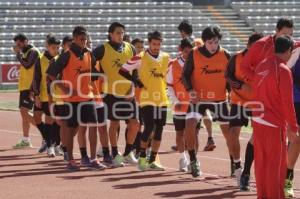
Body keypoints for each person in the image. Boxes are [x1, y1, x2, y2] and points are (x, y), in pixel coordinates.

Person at [241, 17, 298, 196]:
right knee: (277, 164)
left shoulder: (261, 66)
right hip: (274, 124)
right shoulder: (283, 70)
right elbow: (287, 102)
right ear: (288, 51)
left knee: (262, 163)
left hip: (258, 120)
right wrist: (293, 127)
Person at [47, 26, 101, 171]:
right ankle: (70, 160)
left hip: (87, 97)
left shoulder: (89, 54)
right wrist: (64, 88)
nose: (84, 41)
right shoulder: (66, 55)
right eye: (82, 39)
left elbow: (93, 73)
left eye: (86, 39)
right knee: (70, 130)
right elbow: (51, 74)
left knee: (93, 125)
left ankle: (93, 158)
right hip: (70, 100)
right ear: (75, 39)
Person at [182, 26, 231, 177]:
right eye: (209, 42)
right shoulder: (194, 54)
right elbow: (185, 75)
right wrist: (190, 90)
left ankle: (234, 162)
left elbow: (231, 77)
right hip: (199, 99)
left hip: (220, 100)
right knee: (189, 125)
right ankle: (193, 160)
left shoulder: (226, 55)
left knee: (229, 133)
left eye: (215, 42)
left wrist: (231, 93)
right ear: (203, 42)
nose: (213, 46)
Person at [119, 31, 170, 171]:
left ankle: (152, 160)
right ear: (149, 43)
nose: (156, 47)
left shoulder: (166, 57)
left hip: (162, 99)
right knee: (148, 127)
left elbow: (168, 76)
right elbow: (122, 70)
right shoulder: (140, 57)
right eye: (154, 44)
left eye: (159, 44)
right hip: (146, 98)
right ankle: (142, 158)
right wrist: (136, 81)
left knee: (159, 129)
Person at [93, 22, 139, 167]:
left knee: (135, 123)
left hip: (128, 93)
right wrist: (98, 75)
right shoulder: (102, 49)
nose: (121, 35)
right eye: (118, 33)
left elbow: (136, 70)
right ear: (111, 34)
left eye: (122, 33)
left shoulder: (130, 48)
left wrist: (133, 88)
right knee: (114, 123)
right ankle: (114, 153)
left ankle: (128, 152)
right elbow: (89, 62)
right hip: (111, 93)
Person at [226, 32, 263, 190]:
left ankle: (247, 172)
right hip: (238, 100)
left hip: (257, 103)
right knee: (233, 133)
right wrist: (240, 86)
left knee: (257, 138)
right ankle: (238, 167)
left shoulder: (264, 61)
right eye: (255, 47)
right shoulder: (236, 58)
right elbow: (227, 76)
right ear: (248, 45)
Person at [177, 20, 215, 151]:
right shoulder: (199, 41)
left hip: (193, 82)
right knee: (205, 112)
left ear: (182, 32)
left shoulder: (188, 44)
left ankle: (188, 141)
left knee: (193, 115)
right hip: (205, 80)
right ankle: (210, 137)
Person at [167, 37, 196, 172]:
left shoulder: (198, 63)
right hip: (179, 105)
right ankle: (182, 158)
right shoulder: (173, 64)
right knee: (180, 134)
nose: (188, 54)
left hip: (194, 106)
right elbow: (169, 85)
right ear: (181, 50)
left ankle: (193, 160)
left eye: (191, 52)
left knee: (193, 134)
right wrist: (175, 101)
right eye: (186, 52)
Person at [32, 34, 61, 157]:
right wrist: (36, 95)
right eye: (53, 47)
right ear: (47, 46)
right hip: (42, 95)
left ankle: (51, 146)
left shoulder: (60, 59)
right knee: (37, 119)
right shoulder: (41, 59)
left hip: (54, 97)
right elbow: (36, 78)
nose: (56, 50)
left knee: (51, 121)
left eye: (57, 47)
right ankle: (49, 139)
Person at [12, 33, 40, 149]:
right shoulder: (26, 52)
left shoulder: (33, 51)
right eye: (17, 44)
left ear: (26, 41)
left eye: (20, 44)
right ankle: (26, 139)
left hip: (30, 87)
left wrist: (17, 54)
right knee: (24, 113)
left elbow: (27, 65)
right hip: (24, 86)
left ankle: (46, 133)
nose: (19, 46)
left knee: (24, 112)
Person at [284, 42, 300, 198]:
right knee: (296, 139)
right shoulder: (297, 49)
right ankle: (287, 179)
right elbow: (285, 69)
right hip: (297, 100)